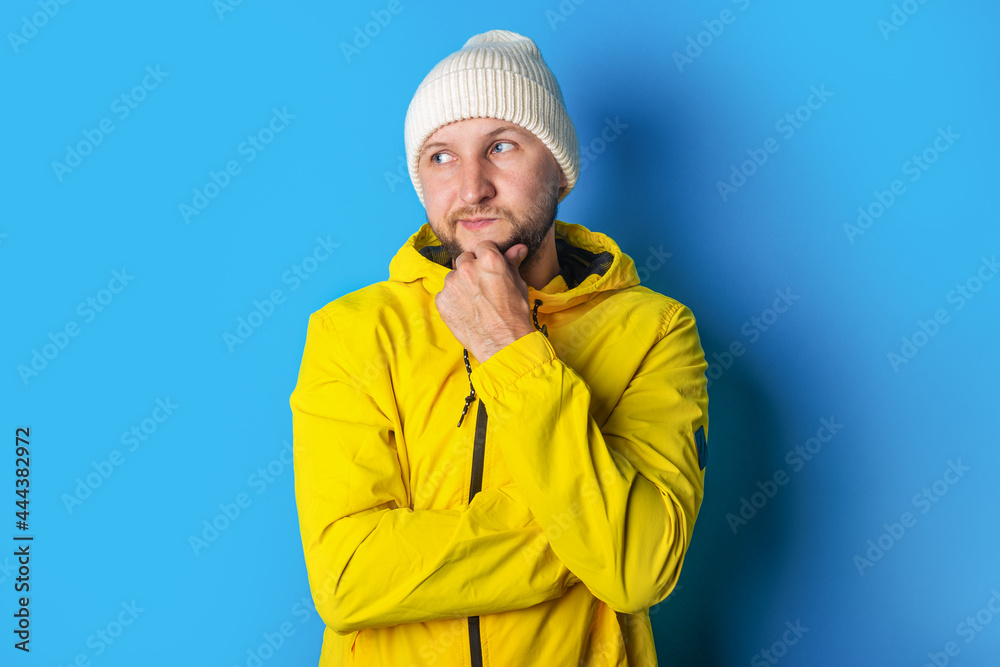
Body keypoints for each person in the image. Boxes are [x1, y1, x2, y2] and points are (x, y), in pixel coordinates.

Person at [290, 29, 709, 666]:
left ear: (560, 171)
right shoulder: (354, 332)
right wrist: (572, 544)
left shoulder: (655, 331)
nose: (472, 186)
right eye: (440, 157)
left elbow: (637, 569)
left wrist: (511, 349)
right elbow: (348, 579)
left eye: (502, 146)